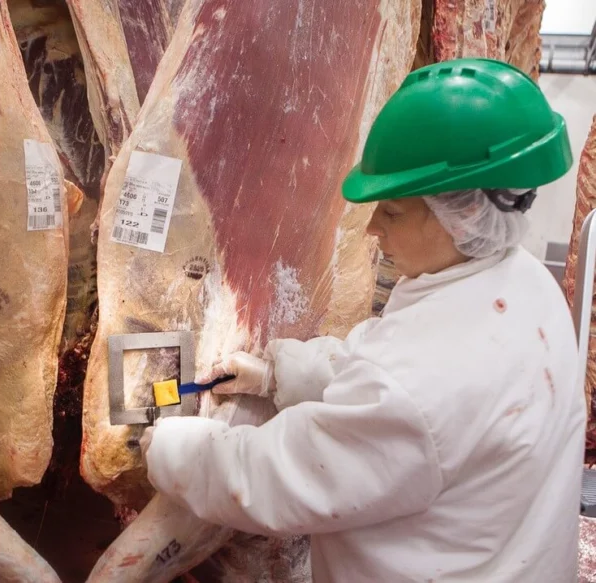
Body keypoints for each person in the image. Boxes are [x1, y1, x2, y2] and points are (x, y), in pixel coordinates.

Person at [139, 58, 585, 581]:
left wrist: (170, 449)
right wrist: (282, 373)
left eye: (393, 212)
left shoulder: (422, 387)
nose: (372, 228)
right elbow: (399, 375)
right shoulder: (525, 283)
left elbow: (283, 477)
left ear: (461, 216)